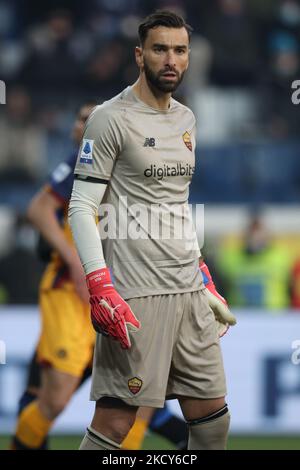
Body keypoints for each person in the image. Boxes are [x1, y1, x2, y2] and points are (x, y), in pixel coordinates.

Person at [68, 10, 236, 451]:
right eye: (160, 49)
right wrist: (99, 284)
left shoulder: (186, 120)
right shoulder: (110, 117)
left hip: (188, 291)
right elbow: (81, 206)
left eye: (180, 51)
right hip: (135, 294)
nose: (171, 60)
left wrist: (203, 275)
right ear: (139, 55)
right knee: (116, 426)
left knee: (214, 421)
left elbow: (174, 206)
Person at [11, 102, 189, 450]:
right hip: (72, 296)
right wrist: (76, 263)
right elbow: (38, 210)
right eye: (80, 119)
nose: (84, 126)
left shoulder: (134, 170)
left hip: (122, 296)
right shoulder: (77, 163)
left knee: (140, 402)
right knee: (55, 398)